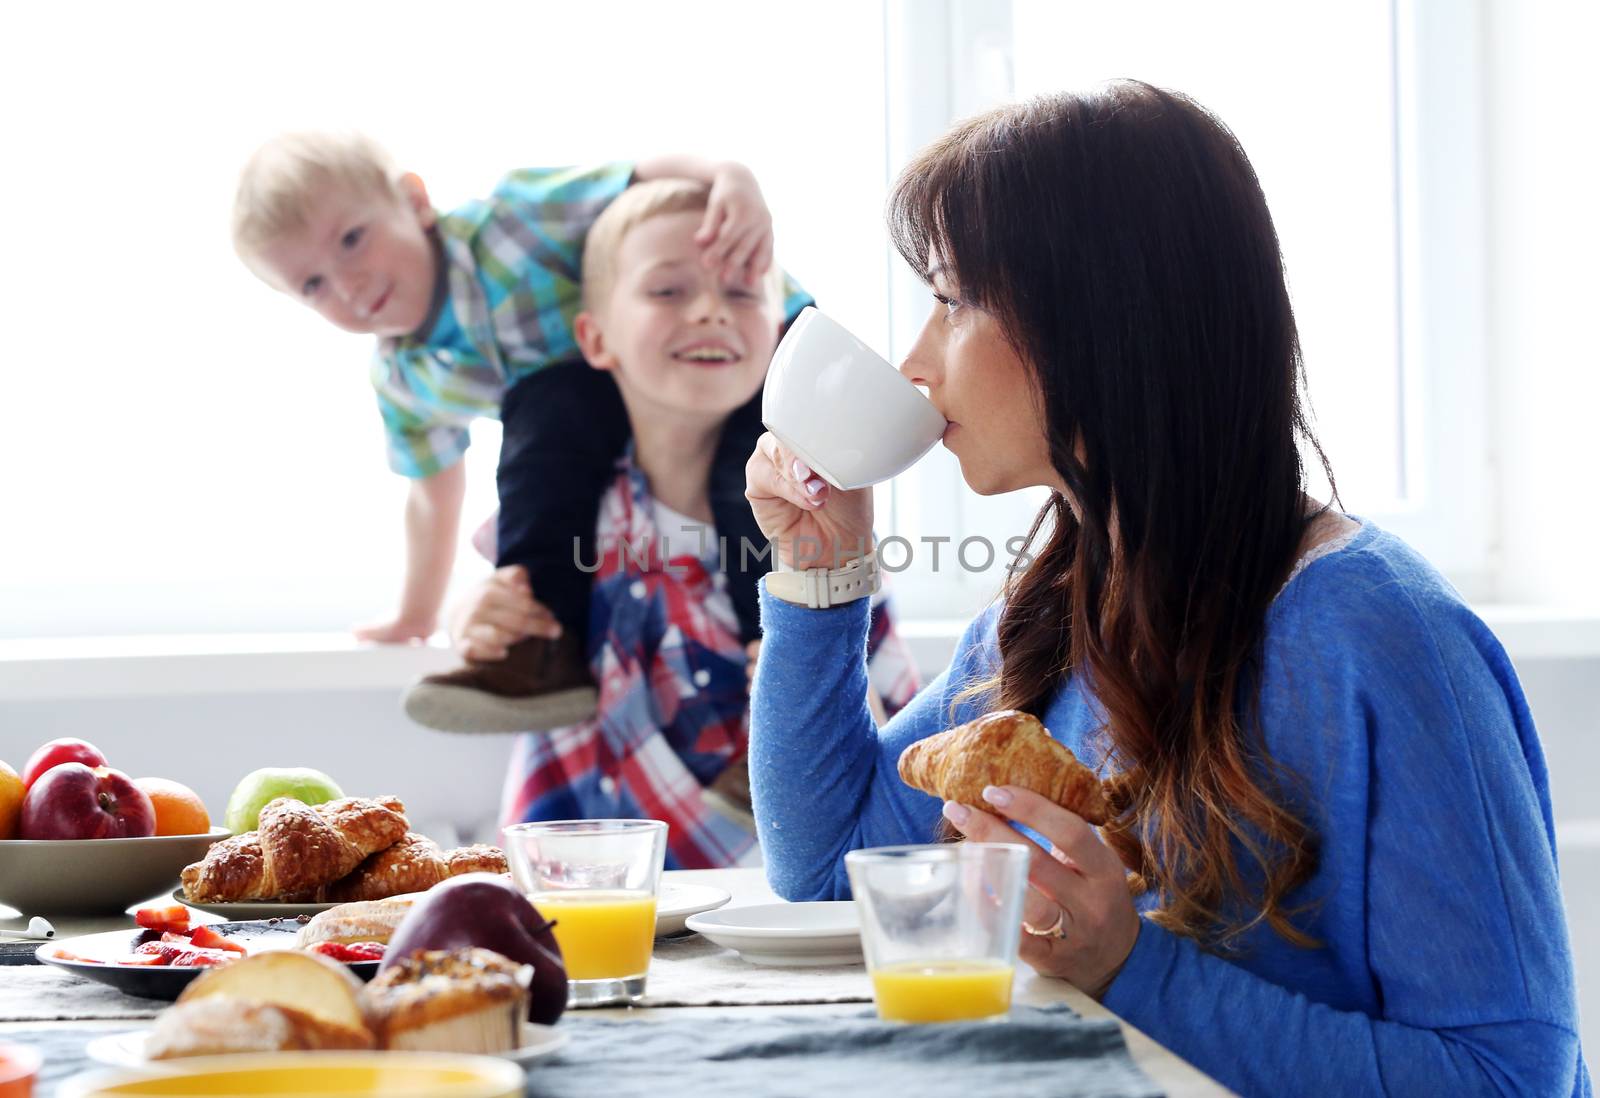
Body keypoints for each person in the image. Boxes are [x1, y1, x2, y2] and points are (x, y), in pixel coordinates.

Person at [743, 83, 1590, 1097]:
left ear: (1098, 320)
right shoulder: (1057, 607)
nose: (915, 362)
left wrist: (1129, 970)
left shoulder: (1376, 638)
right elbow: (829, 866)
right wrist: (821, 569)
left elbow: (1510, 1078)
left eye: (952, 300)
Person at [231, 133, 811, 733]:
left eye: (353, 240)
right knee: (539, 459)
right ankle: (543, 649)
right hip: (610, 394)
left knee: (744, 489)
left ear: (413, 200)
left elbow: (637, 173)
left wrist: (728, 175)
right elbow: (434, 493)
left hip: (751, 345)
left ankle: (785, 690)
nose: (347, 285)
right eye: (313, 285)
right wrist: (416, 614)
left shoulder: (510, 224)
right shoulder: (405, 378)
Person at [444, 179, 916, 868]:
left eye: (744, 292)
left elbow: (885, 717)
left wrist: (814, 663)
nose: (709, 312)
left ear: (779, 335)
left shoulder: (817, 507)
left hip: (773, 884)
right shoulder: (564, 502)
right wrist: (471, 617)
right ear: (595, 337)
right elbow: (497, 593)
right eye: (667, 291)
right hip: (586, 881)